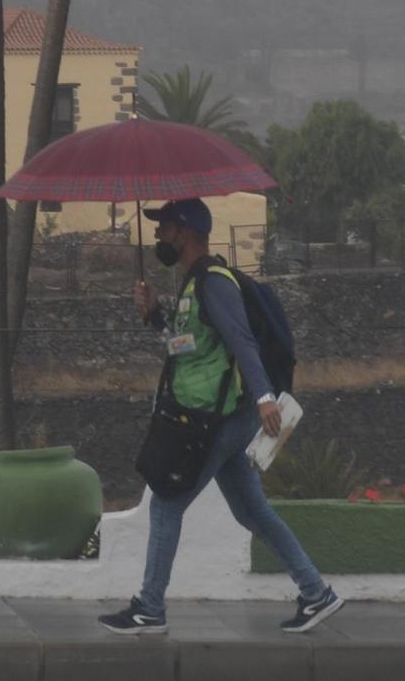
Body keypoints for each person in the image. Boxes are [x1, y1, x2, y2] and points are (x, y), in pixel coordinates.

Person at [98, 197, 343, 636]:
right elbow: (188, 347)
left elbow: (242, 341)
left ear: (186, 232)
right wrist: (155, 316)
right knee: (253, 512)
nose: (157, 235)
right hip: (219, 417)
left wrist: (266, 397)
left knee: (167, 504)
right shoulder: (192, 285)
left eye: (165, 227)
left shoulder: (214, 283)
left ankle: (150, 607)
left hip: (218, 419)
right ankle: (316, 592)